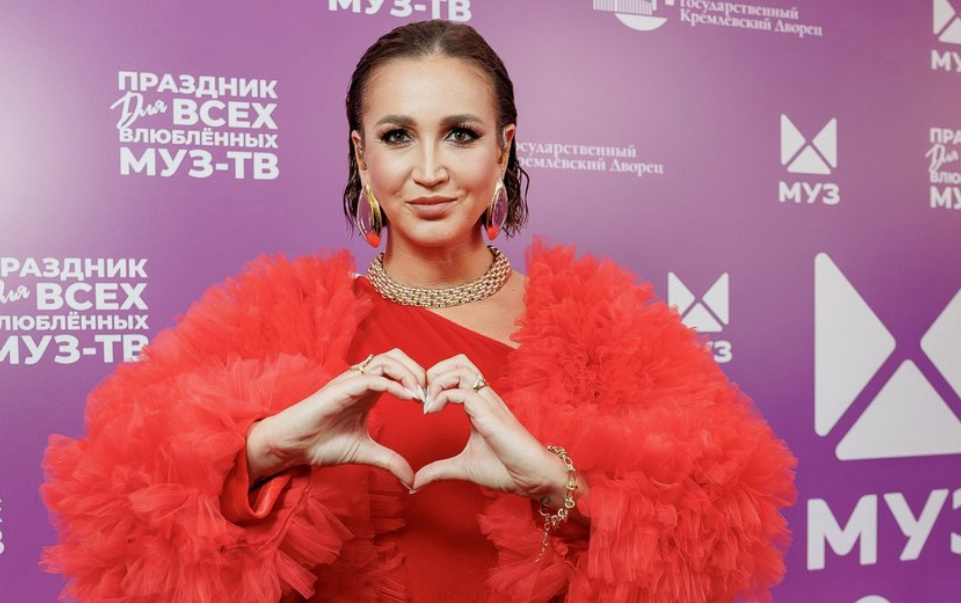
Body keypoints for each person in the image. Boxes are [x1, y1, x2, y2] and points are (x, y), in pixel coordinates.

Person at [41, 19, 797, 603]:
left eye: (460, 134)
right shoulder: (279, 321)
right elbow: (118, 519)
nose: (429, 170)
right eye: (398, 136)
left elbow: (718, 535)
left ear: (502, 151)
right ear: (361, 155)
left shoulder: (602, 327)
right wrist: (265, 449)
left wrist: (552, 482)